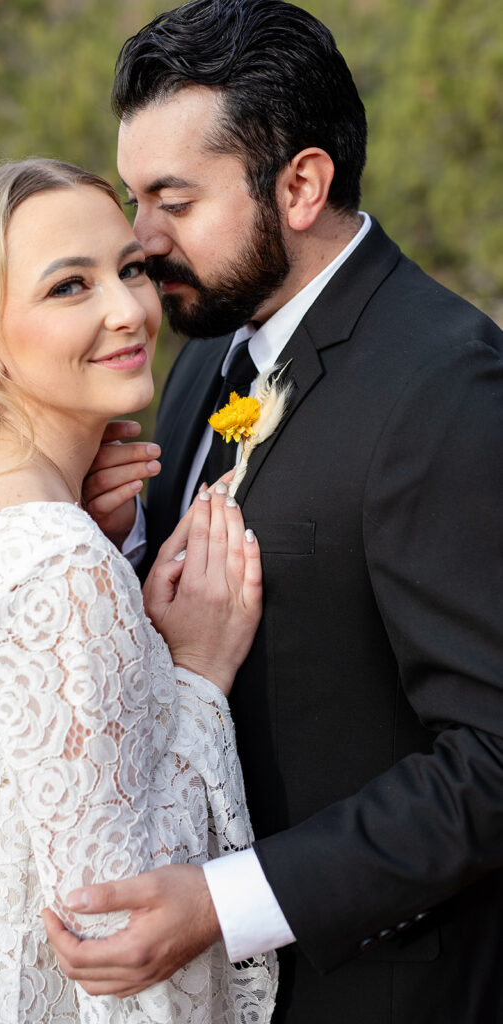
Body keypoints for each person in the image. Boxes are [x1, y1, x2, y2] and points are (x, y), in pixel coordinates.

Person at [41, 3, 503, 1023]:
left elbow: (491, 758)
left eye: (172, 199)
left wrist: (226, 901)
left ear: (298, 184)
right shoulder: (209, 345)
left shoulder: (445, 390)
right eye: (132, 197)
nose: (139, 240)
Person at [0, 158, 278, 1022]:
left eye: (129, 269)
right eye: (70, 286)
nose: (128, 310)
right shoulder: (53, 562)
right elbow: (115, 926)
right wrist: (197, 674)